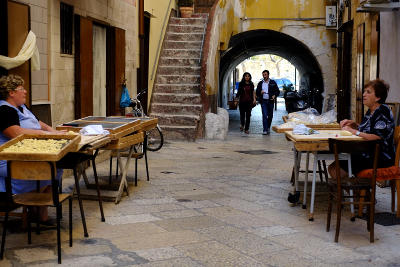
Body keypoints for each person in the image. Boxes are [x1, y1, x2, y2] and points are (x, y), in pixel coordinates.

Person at [0, 74, 64, 221]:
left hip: (26, 153)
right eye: (21, 89)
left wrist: (53, 131)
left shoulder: (22, 107)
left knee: (56, 166)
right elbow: (16, 133)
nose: (25, 91)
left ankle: (39, 208)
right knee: (46, 170)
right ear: (11, 93)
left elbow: (38, 122)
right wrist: (43, 135)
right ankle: (35, 208)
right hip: (8, 159)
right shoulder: (4, 110)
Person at [328, 79, 395, 178]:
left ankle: (356, 191)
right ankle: (356, 191)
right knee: (335, 166)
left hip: (380, 158)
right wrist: (355, 125)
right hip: (368, 154)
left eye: (368, 92)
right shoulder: (371, 111)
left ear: (378, 97)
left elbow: (377, 137)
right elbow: (370, 130)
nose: (363, 94)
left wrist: (354, 131)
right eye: (364, 91)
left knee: (335, 168)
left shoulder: (382, 112)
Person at [256, 70, 280, 135]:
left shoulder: (273, 82)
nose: (264, 76)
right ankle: (265, 130)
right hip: (263, 101)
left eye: (265, 74)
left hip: (270, 101)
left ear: (268, 75)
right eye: (263, 74)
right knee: (264, 115)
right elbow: (257, 92)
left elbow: (277, 91)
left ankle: (268, 127)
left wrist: (274, 95)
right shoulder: (260, 83)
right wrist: (260, 92)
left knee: (270, 116)